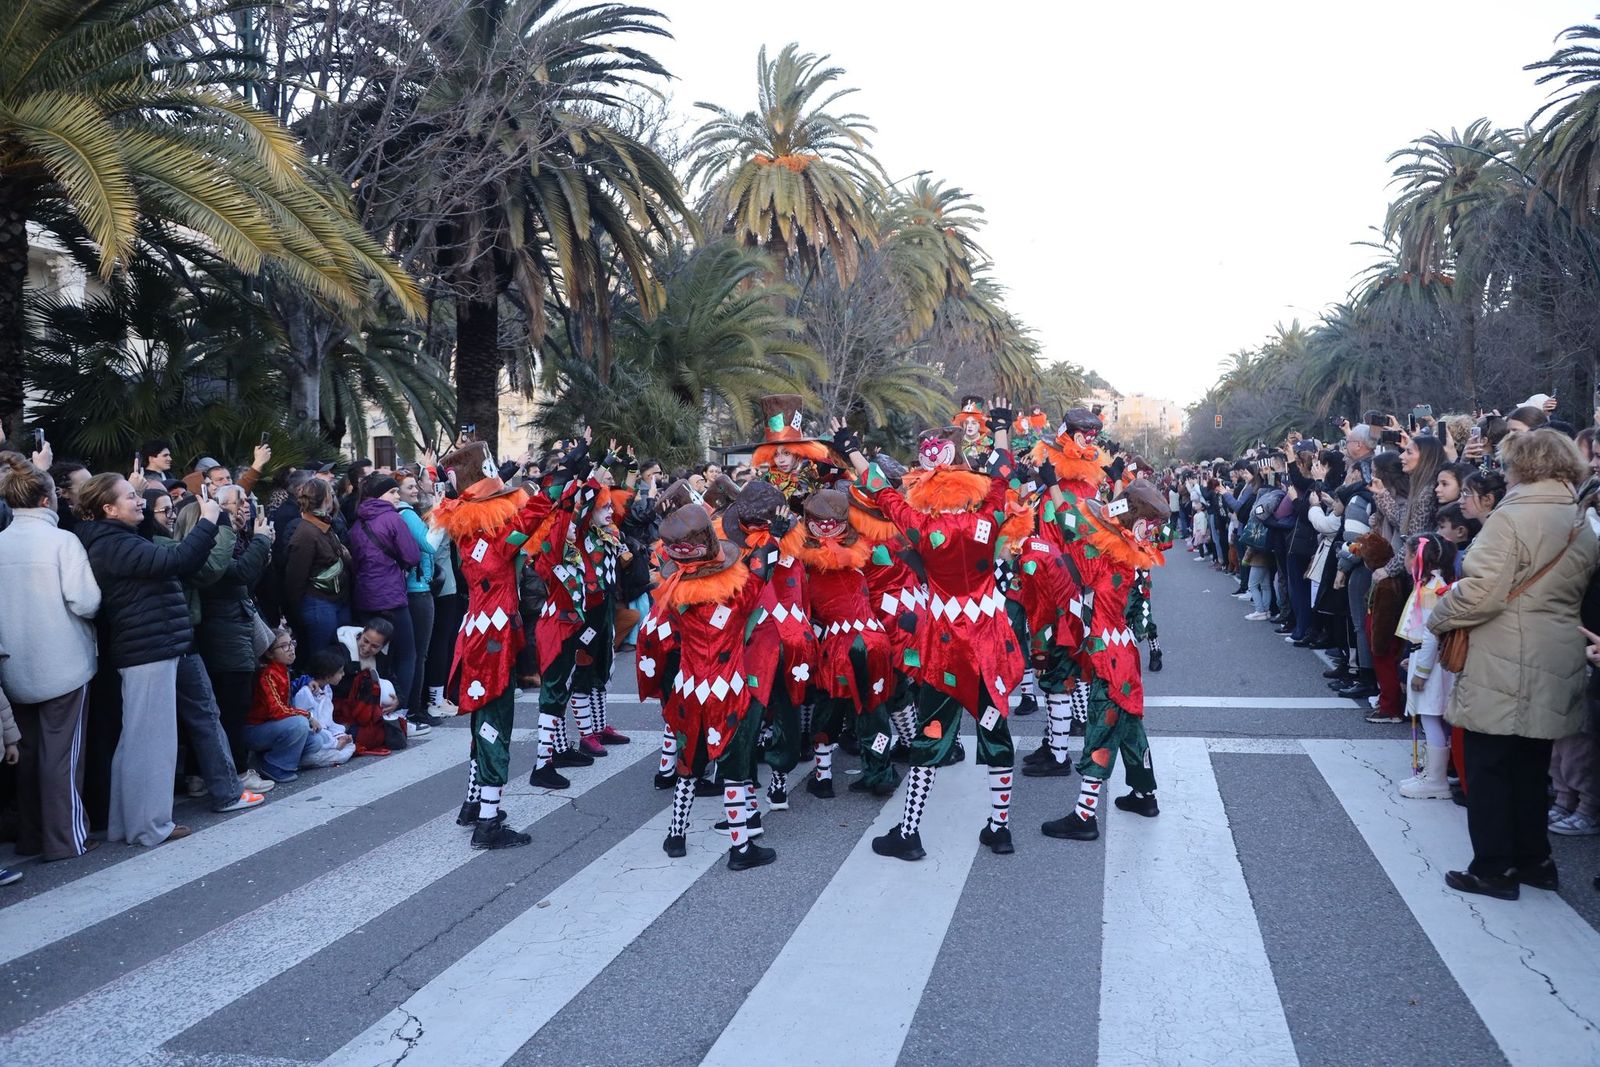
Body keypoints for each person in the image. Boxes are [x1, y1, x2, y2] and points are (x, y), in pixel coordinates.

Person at [836, 408, 1023, 860]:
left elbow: (883, 495)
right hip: (986, 637)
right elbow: (1002, 477)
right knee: (995, 727)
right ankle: (999, 827)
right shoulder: (989, 516)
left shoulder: (922, 526)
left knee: (932, 731)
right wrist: (1000, 430)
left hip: (945, 645)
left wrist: (855, 454)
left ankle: (909, 833)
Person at [1430, 428, 1599, 900]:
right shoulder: (1580, 517)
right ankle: (1535, 860)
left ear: (1521, 465)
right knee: (1531, 763)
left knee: (1488, 765)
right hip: (1558, 646)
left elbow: (1482, 592)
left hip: (1505, 652)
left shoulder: (1512, 517)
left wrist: (1440, 616)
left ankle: (1494, 868)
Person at [77, 472, 222, 846]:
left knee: (138, 740)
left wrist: (135, 488)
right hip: (148, 648)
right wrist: (207, 519)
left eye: (136, 495)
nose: (138, 501)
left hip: (146, 646)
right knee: (152, 742)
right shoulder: (114, 543)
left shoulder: (113, 538)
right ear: (108, 508)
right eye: (130, 497)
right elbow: (182, 559)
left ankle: (130, 824)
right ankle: (150, 826)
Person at [428, 440, 556, 849]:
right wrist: (559, 485)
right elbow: (534, 514)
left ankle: (472, 803)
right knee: (494, 726)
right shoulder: (499, 540)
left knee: (482, 722)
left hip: (478, 630)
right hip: (492, 638)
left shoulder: (468, 535)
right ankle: (488, 822)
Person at [645, 503, 776, 870]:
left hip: (687, 688)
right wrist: (767, 540)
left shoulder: (672, 595)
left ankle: (676, 834)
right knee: (734, 767)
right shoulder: (738, 593)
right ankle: (741, 848)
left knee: (688, 763)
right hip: (726, 688)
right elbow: (760, 576)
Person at [0, 453, 102, 862]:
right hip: (63, 661)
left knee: (26, 755)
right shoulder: (62, 541)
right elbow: (87, 601)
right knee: (63, 756)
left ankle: (32, 835)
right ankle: (67, 839)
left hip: (12, 663)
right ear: (47, 499)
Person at [194, 485, 275, 786]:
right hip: (222, 630)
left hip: (235, 625)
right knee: (231, 705)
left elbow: (248, 583)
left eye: (246, 503)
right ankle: (236, 772)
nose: (243, 508)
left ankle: (212, 773)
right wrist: (260, 543)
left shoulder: (236, 537)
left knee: (234, 702)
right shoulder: (215, 538)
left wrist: (261, 548)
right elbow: (236, 574)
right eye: (235, 503)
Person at [349, 473, 423, 731]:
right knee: (406, 654)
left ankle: (373, 712)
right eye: (392, 492)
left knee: (373, 658)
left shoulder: (357, 522)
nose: (397, 496)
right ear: (381, 495)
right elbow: (412, 556)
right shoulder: (393, 518)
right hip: (391, 596)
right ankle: (400, 712)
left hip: (365, 597)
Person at [1396, 533, 1459, 800]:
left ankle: (1436, 779)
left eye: (1408, 554)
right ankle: (1434, 775)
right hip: (1428, 660)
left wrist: (1421, 671)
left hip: (1431, 666)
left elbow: (1432, 635)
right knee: (1432, 718)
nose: (1405, 559)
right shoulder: (1432, 586)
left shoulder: (1433, 591)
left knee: (1431, 718)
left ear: (1418, 557)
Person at [282, 477, 352, 658]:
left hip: (335, 602)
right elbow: (294, 579)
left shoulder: (324, 526)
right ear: (326, 499)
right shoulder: (306, 533)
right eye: (331, 494)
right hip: (318, 605)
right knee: (322, 659)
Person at [395, 467, 440, 725]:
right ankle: (414, 709)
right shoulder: (406, 513)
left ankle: (414, 707)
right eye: (409, 487)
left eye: (415, 485)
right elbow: (430, 544)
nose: (415, 490)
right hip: (417, 590)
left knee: (415, 653)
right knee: (418, 653)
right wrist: (441, 516)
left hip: (415, 588)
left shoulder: (403, 512)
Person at [245, 628, 316, 783]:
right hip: (256, 730)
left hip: (274, 728)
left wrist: (307, 681)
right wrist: (308, 715)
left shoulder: (283, 669)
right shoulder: (267, 674)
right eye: (284, 646)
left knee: (317, 741)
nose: (291, 649)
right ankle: (273, 767)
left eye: (292, 643)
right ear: (269, 654)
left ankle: (272, 758)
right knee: (300, 724)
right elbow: (277, 710)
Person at [331, 618, 401, 755]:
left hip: (366, 712)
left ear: (383, 646)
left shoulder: (382, 658)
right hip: (340, 711)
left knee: (396, 739)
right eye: (365, 641)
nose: (367, 648)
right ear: (361, 634)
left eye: (374, 646)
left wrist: (397, 701)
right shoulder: (338, 650)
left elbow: (393, 681)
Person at [294, 648, 355, 769]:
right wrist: (335, 743)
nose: (343, 675)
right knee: (329, 748)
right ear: (328, 675)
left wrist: (340, 735)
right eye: (340, 672)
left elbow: (328, 721)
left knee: (351, 746)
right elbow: (309, 726)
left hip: (326, 735)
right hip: (312, 737)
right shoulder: (305, 693)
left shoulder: (327, 689)